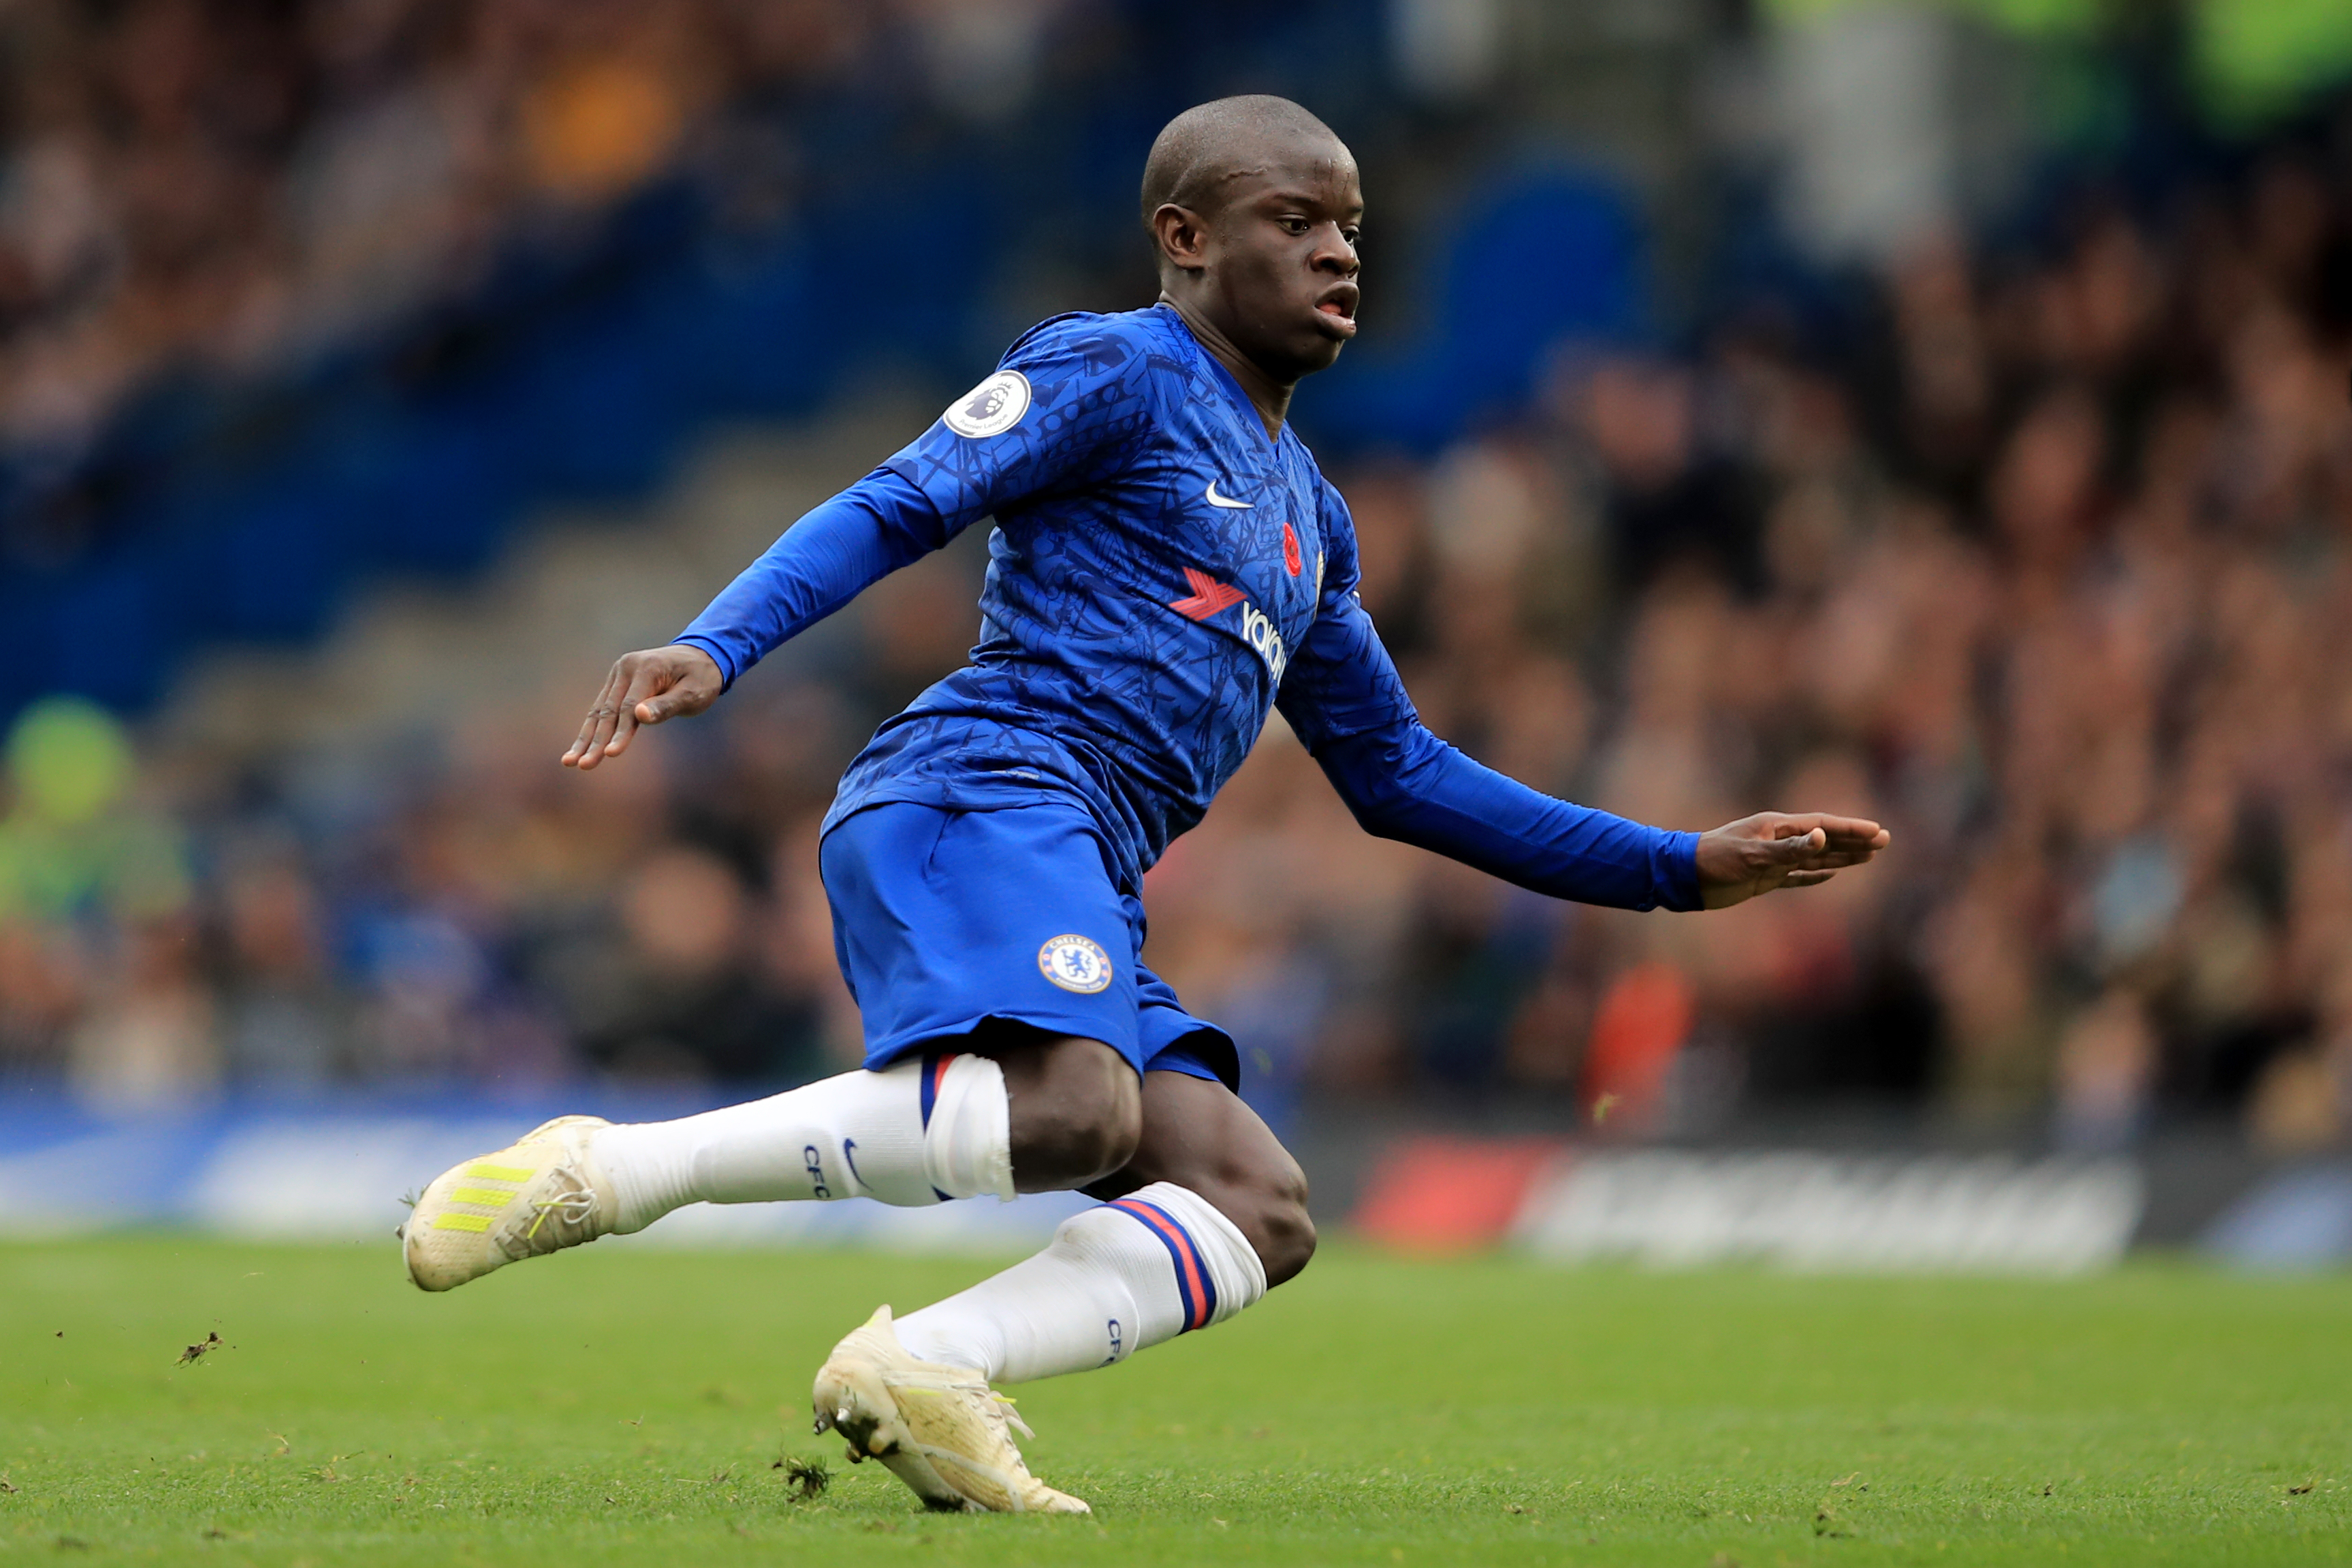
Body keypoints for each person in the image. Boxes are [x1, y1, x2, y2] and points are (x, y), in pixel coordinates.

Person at [400, 95, 1890, 1515]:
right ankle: (611, 1172)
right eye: (1292, 218)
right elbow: (900, 498)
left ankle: (927, 1367)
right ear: (1184, 238)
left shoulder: (1308, 513)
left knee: (1257, 1200)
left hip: (1078, 859)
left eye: (1351, 227)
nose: (1336, 251)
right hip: (976, 789)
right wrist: (718, 643)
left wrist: (1679, 867)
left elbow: (1399, 775)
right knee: (1075, 1108)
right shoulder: (1112, 367)